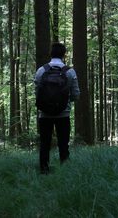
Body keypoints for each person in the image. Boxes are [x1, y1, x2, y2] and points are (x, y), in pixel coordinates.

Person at [34, 43, 80, 174]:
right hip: (63, 114)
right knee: (63, 144)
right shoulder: (70, 71)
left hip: (44, 114)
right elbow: (76, 94)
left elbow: (37, 93)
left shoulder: (41, 70)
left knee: (44, 144)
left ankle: (44, 171)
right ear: (64, 54)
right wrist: (65, 102)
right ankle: (64, 172)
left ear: (50, 54)